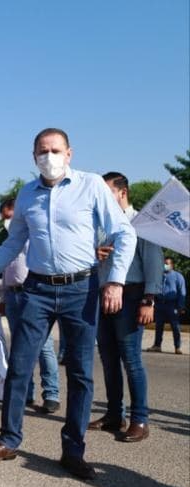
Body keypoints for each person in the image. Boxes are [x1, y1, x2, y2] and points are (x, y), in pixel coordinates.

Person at [0, 127, 136, 480]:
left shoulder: (91, 187)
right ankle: (8, 440)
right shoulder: (27, 195)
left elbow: (124, 232)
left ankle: (73, 450)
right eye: (43, 151)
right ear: (33, 157)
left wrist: (115, 280)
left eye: (56, 150)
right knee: (20, 366)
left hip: (81, 289)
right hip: (37, 290)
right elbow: (13, 244)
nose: (50, 157)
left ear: (69, 153)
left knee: (79, 372)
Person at [89, 172, 163, 442]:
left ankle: (140, 420)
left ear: (122, 192)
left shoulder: (142, 223)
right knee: (108, 358)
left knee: (131, 359)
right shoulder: (100, 225)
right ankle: (113, 414)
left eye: (106, 192)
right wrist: (94, 253)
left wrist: (149, 300)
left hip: (132, 295)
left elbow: (154, 263)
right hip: (102, 293)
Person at [0, 198, 61, 413]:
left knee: (42, 346)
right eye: (4, 217)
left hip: (32, 294)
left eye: (11, 217)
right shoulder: (8, 239)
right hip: (12, 294)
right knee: (19, 346)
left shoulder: (35, 235)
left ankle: (51, 393)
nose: (7, 221)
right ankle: (26, 392)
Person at [148, 257, 186, 355]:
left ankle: (177, 347)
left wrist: (180, 306)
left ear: (172, 265)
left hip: (172, 305)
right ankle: (157, 346)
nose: (165, 265)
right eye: (164, 263)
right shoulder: (159, 275)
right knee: (159, 326)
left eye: (167, 264)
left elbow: (182, 292)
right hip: (160, 304)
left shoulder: (178, 276)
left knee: (175, 327)